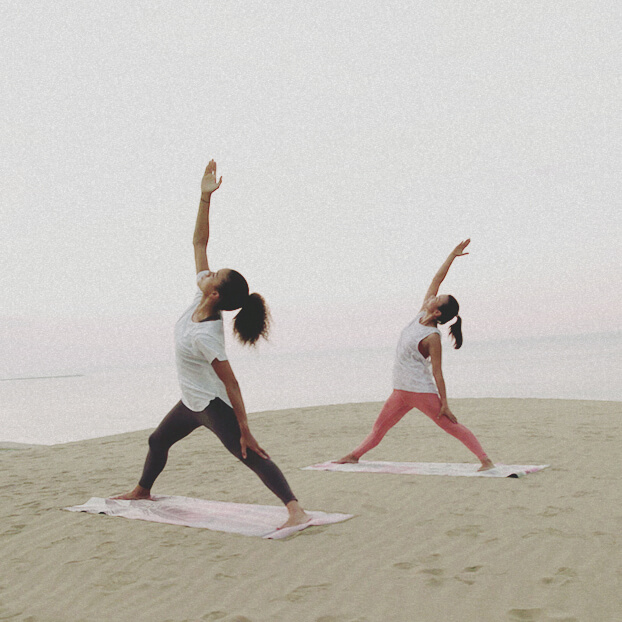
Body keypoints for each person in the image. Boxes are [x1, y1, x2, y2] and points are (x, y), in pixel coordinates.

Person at [115, 160, 309, 529]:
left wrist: (246, 428)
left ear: (215, 291)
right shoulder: (201, 295)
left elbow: (232, 383)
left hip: (211, 404)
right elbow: (199, 241)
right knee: (158, 441)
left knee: (248, 453)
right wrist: (204, 198)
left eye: (214, 274)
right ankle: (142, 490)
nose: (208, 270)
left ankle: (295, 510)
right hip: (189, 401)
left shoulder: (207, 335)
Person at [336, 239, 494, 471]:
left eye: (436, 300)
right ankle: (354, 456)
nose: (431, 297)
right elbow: (436, 280)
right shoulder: (420, 314)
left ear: (437, 311)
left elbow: (438, 373)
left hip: (420, 391)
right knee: (379, 428)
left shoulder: (432, 337)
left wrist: (445, 404)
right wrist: (452, 255)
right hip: (400, 390)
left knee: (450, 426)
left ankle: (486, 461)